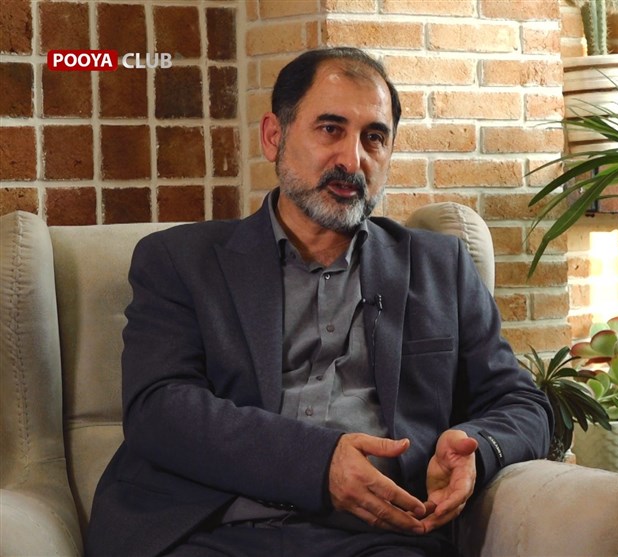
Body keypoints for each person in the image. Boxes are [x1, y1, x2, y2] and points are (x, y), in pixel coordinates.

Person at [86, 47, 553, 557]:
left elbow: (522, 403)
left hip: (377, 539)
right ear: (274, 136)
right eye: (330, 129)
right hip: (210, 531)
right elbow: (159, 410)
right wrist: (316, 463)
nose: (352, 161)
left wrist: (477, 451)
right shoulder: (180, 260)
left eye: (374, 137)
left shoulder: (440, 266)